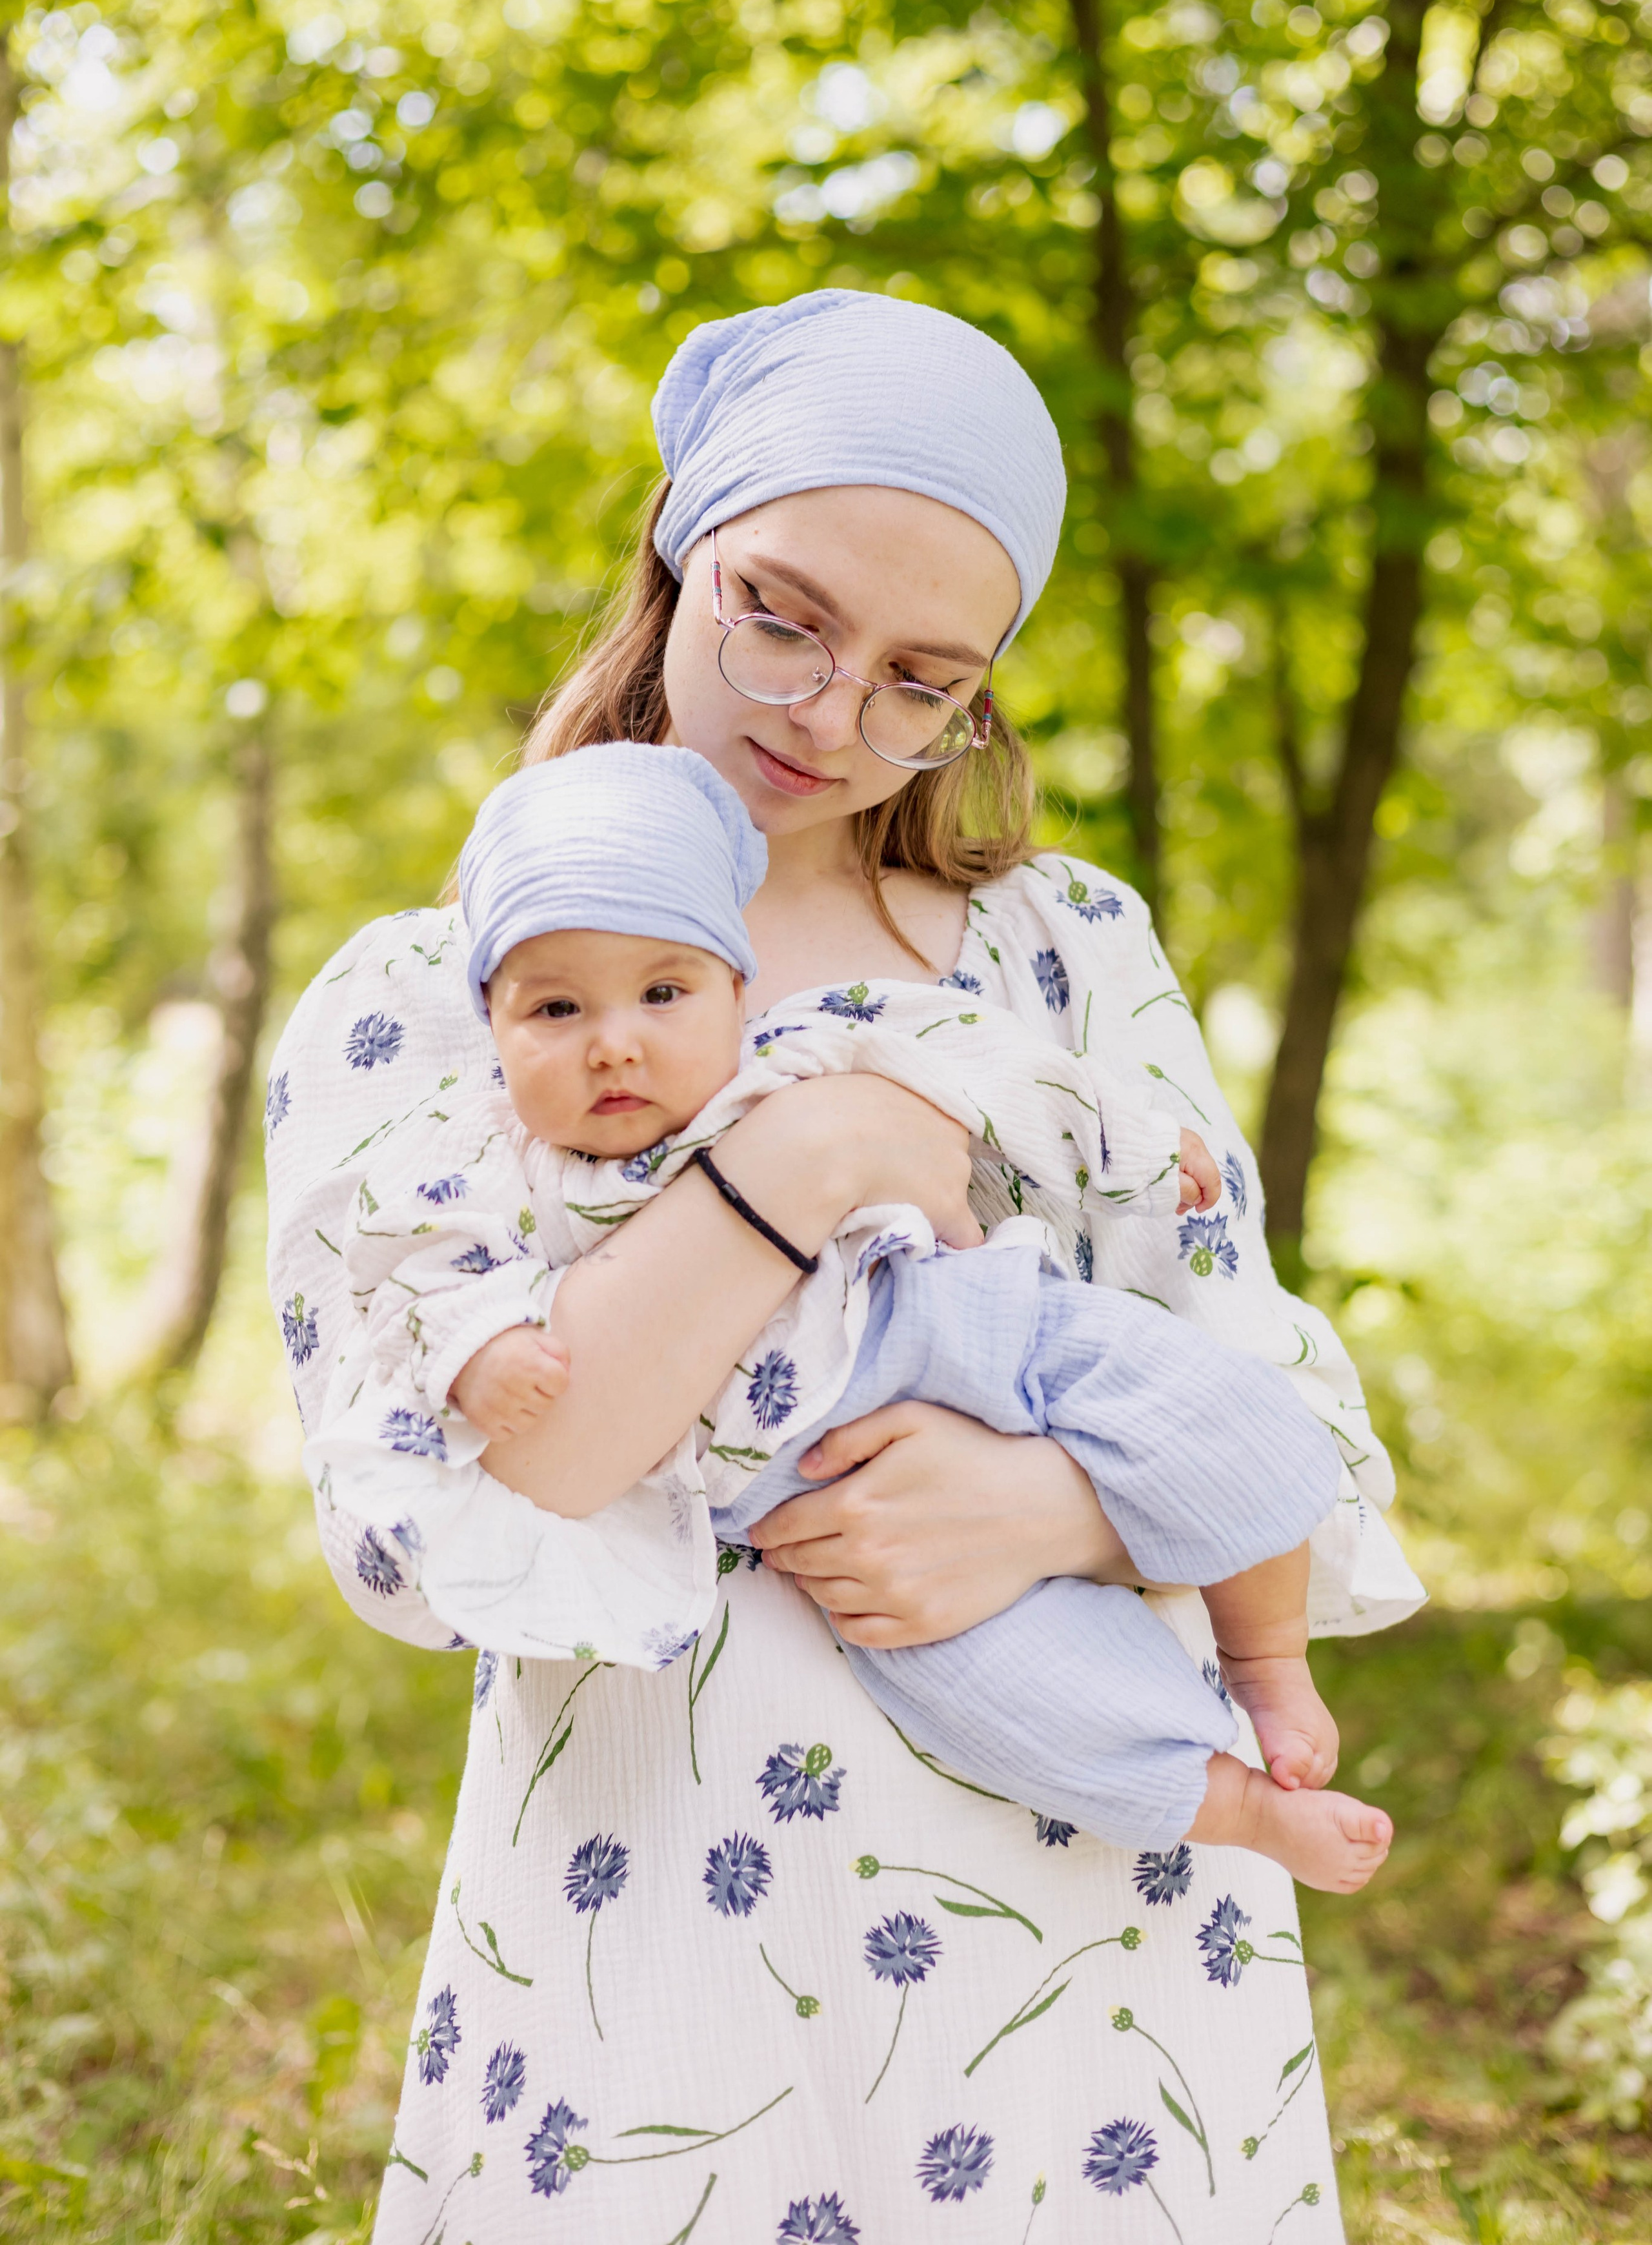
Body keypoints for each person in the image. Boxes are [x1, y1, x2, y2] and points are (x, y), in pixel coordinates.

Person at [267, 288, 1422, 2242]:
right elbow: (489, 1493)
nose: (829, 715)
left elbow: (1279, 1408)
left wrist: (1045, 1507)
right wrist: (802, 1164)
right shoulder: (444, 998)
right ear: (676, 551)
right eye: (781, 614)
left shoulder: (1065, 953)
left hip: (1089, 1934)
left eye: (922, 678)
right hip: (661, 1922)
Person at [314, 737, 1394, 1884]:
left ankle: (1267, 1657)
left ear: (739, 988)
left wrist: (1127, 1143)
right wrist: (478, 1355)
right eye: (557, 1009)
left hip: (982, 1324)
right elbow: (413, 1283)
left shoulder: (803, 1052)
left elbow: (994, 1079)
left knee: (1207, 1403)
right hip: (804, 1481)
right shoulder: (486, 1165)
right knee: (1005, 1692)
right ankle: (1235, 1807)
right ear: (493, 1023)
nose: (614, 1041)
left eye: (664, 992)